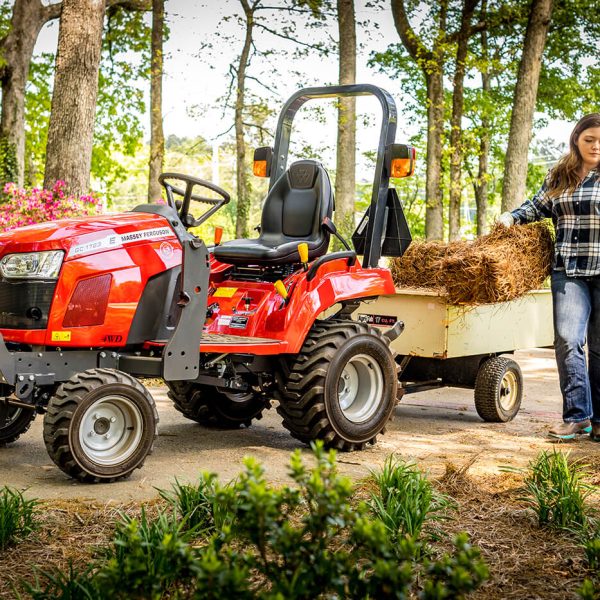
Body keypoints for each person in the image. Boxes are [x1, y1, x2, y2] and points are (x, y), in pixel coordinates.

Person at [499, 113, 600, 441]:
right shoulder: (561, 176)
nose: (595, 146)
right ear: (576, 140)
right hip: (568, 271)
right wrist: (511, 218)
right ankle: (577, 416)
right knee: (568, 340)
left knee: (599, 349)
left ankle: (598, 420)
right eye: (589, 140)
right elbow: (536, 207)